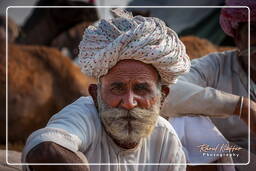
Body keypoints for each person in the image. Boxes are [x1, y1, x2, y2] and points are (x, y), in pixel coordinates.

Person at [21, 8, 190, 171]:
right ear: (95, 95)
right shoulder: (84, 116)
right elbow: (45, 149)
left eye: (141, 89)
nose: (129, 103)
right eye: (117, 89)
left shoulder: (166, 140)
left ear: (161, 97)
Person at [161, 0, 256, 170]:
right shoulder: (216, 67)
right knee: (185, 119)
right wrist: (241, 107)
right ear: (239, 37)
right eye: (255, 30)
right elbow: (166, 91)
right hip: (230, 159)